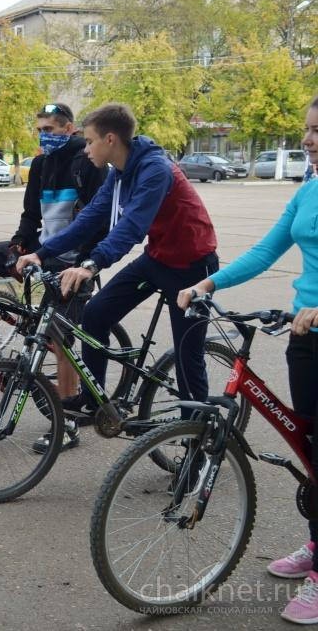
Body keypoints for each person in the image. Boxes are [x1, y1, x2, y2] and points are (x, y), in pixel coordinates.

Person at [177, 94, 318, 625]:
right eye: (307, 130)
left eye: (317, 131)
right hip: (306, 335)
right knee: (308, 448)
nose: (307, 140)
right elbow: (265, 251)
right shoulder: (308, 191)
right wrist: (209, 281)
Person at [16, 102, 219, 452]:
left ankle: (198, 447)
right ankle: (97, 401)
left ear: (110, 139)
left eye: (90, 140)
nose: (87, 148)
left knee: (188, 358)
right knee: (95, 314)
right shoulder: (119, 169)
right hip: (158, 259)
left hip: (192, 268)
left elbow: (131, 227)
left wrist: (92, 264)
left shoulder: (155, 170)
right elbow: (91, 217)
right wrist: (41, 252)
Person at [0, 102, 107, 452]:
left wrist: (84, 263)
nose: (44, 137)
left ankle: (68, 423)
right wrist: (18, 246)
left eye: (51, 130)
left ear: (69, 129)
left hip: (74, 260)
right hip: (42, 249)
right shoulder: (41, 165)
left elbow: (97, 218)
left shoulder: (87, 161)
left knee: (59, 338)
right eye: (41, 130)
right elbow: (31, 216)